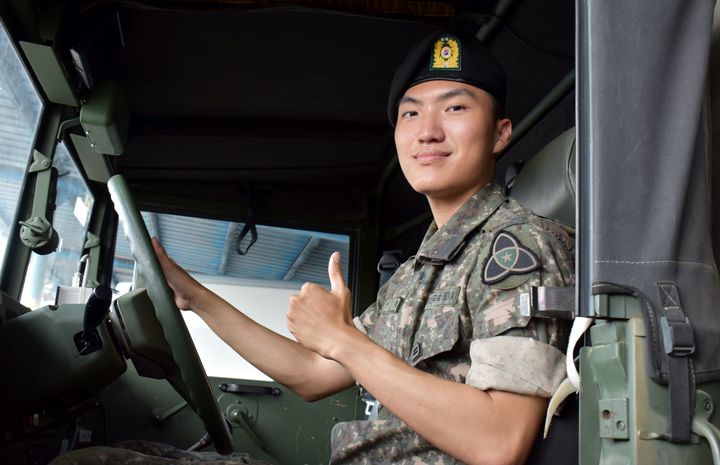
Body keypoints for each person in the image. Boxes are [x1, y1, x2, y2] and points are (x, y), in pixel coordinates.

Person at [53, 30, 574, 465]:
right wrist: (197, 298)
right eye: (410, 115)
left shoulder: (519, 247)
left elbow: (500, 439)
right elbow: (312, 374)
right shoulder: (421, 269)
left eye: (455, 107)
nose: (427, 132)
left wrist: (345, 340)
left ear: (501, 133)